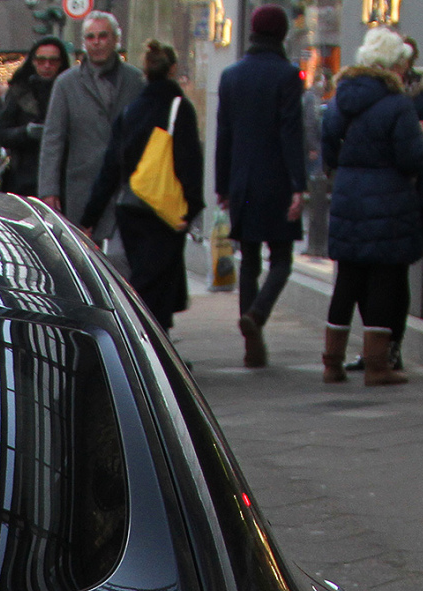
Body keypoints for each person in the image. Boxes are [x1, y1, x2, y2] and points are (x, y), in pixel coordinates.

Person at [319, 26, 423, 385]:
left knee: (347, 279)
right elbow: (412, 157)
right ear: (392, 66)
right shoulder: (398, 104)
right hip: (387, 198)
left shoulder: (341, 98)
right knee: (383, 279)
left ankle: (331, 363)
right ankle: (377, 366)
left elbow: (328, 148)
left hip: (349, 195)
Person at [84, 40, 204, 329]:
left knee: (146, 278)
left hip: (131, 207)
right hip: (164, 209)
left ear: (145, 74)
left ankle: (153, 346)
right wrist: (192, 206)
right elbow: (189, 161)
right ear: (173, 69)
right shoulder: (179, 109)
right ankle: (150, 350)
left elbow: (111, 166)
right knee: (157, 286)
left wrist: (90, 216)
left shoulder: (130, 111)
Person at [214, 6, 307, 366]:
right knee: (281, 259)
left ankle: (251, 345)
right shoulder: (286, 76)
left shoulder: (231, 76)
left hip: (242, 180)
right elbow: (290, 132)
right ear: (282, 34)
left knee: (249, 257)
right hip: (278, 180)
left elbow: (224, 134)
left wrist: (222, 184)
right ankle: (257, 314)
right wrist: (298, 184)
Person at [38, 11, 131, 238]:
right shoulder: (66, 84)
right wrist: (49, 190)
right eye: (90, 37)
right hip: (83, 186)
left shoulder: (135, 80)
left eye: (103, 36)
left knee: (121, 261)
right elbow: (53, 138)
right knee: (85, 258)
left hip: (127, 187)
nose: (96, 42)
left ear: (116, 40)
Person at [0, 38, 69, 197]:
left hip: (62, 178)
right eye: (41, 60)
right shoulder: (19, 91)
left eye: (53, 61)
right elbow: (2, 133)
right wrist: (26, 132)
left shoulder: (69, 90)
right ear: (33, 62)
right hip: (24, 177)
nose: (47, 66)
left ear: (61, 62)